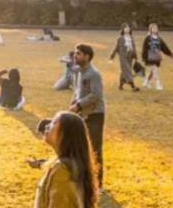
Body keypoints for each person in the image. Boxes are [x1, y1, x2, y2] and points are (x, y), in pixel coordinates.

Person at [28, 111, 99, 208]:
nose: (47, 126)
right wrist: (37, 164)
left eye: (54, 123)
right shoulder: (67, 163)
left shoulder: (62, 170)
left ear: (65, 134)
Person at [70, 43, 105, 187]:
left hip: (95, 114)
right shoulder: (78, 72)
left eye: (78, 53)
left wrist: (78, 105)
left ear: (87, 56)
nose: (75, 55)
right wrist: (73, 103)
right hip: (81, 114)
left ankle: (98, 184)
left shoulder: (93, 74)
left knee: (95, 148)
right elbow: (78, 92)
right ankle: (84, 179)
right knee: (80, 147)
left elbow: (95, 95)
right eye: (75, 53)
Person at [141, 23, 173, 91]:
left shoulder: (159, 38)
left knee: (153, 71)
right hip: (149, 57)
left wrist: (169, 53)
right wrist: (144, 57)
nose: (155, 29)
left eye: (156, 28)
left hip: (157, 57)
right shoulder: (147, 38)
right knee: (155, 69)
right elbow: (144, 48)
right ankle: (158, 83)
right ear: (150, 29)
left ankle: (146, 82)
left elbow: (164, 47)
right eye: (153, 28)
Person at [109, 24, 140, 92]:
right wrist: (112, 56)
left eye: (128, 28)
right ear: (123, 29)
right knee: (128, 70)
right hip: (123, 57)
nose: (127, 29)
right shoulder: (120, 38)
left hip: (130, 56)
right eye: (125, 28)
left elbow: (133, 47)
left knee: (124, 71)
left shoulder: (131, 37)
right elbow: (116, 48)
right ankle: (133, 86)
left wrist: (135, 56)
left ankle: (120, 85)